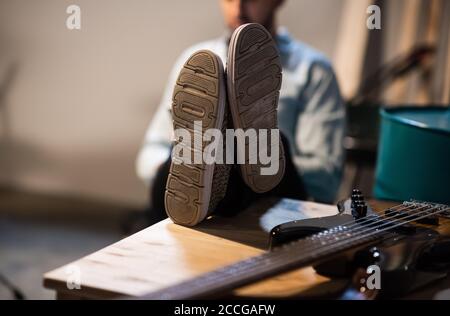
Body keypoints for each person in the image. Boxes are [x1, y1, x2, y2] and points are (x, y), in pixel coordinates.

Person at [136, 0, 345, 226]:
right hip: (192, 189)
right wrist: (179, 166)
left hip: (272, 199)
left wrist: (250, 160)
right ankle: (207, 169)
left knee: (271, 144)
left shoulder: (313, 69)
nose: (238, 8)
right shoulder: (196, 63)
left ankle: (243, 152)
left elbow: (324, 178)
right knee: (187, 149)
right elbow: (150, 152)